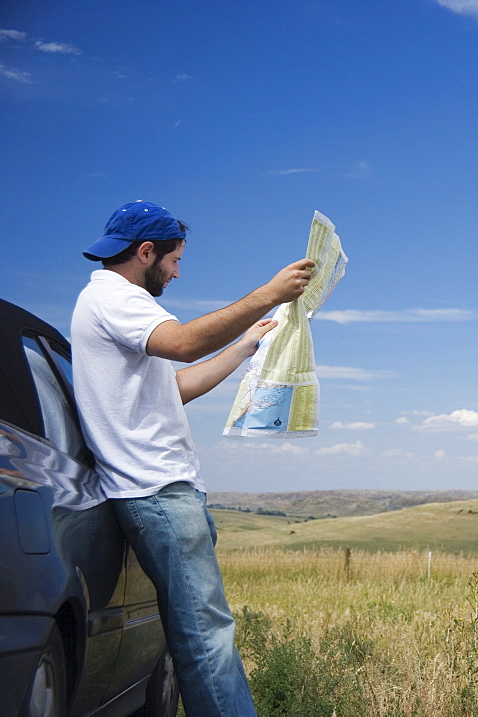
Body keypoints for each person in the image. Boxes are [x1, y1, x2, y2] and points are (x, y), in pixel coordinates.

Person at [71, 200, 314, 716]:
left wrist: (244, 346)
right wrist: (268, 294)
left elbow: (175, 387)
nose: (177, 271)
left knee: (200, 632)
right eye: (175, 260)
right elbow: (182, 345)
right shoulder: (118, 299)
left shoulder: (117, 305)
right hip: (158, 491)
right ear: (145, 252)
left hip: (166, 490)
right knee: (208, 637)